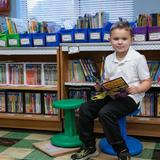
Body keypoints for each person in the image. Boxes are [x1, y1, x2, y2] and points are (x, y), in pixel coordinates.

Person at [70, 19, 151, 160]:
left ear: (131, 40)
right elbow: (107, 80)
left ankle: (122, 151)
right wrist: (101, 86)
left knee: (105, 113)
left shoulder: (138, 58)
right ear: (110, 40)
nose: (120, 42)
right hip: (112, 95)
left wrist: (137, 89)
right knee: (85, 109)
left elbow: (147, 82)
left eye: (124, 39)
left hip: (131, 97)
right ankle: (89, 147)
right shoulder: (108, 59)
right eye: (116, 39)